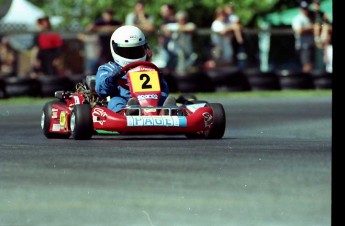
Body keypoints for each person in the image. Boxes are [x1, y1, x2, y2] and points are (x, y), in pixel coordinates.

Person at [95, 25, 171, 114]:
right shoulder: (108, 68)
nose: (132, 54)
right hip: (125, 101)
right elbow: (100, 90)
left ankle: (164, 112)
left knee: (163, 96)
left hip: (152, 101)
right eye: (127, 51)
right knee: (115, 100)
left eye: (136, 50)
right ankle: (126, 113)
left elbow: (164, 87)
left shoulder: (150, 68)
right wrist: (112, 78)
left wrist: (160, 80)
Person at [161, 10, 197, 76]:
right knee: (180, 54)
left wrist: (176, 29)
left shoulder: (190, 25)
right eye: (180, 19)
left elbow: (191, 28)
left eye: (183, 19)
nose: (182, 21)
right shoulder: (173, 25)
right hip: (174, 50)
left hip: (188, 51)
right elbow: (163, 28)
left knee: (192, 58)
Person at [291, 1, 315, 73]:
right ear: (300, 9)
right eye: (303, 8)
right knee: (306, 66)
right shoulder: (298, 19)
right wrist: (310, 28)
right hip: (303, 46)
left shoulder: (309, 18)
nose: (305, 10)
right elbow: (298, 31)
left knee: (311, 65)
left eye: (306, 8)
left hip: (311, 45)